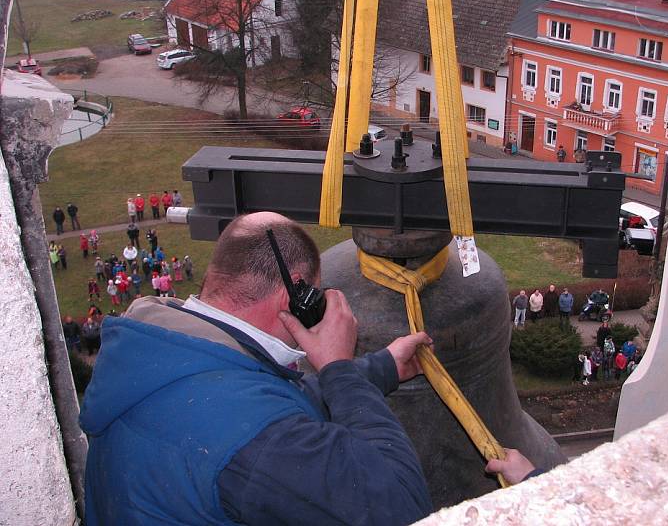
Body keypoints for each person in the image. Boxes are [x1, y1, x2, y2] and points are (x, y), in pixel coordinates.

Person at [80, 212, 434, 524]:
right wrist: (337, 366)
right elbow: (401, 507)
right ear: (295, 299)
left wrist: (380, 367)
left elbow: (265, 404)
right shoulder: (258, 443)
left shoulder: (162, 349)